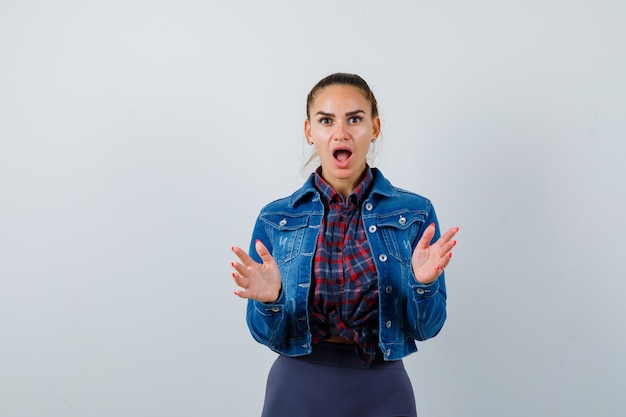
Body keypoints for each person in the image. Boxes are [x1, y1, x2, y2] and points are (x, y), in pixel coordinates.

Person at [230, 72, 459, 417]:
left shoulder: (414, 214)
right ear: (310, 131)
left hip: (382, 390)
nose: (341, 132)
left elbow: (427, 328)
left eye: (355, 119)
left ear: (375, 128)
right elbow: (264, 334)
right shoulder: (276, 219)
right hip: (296, 388)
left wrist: (422, 285)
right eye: (326, 120)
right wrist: (271, 301)